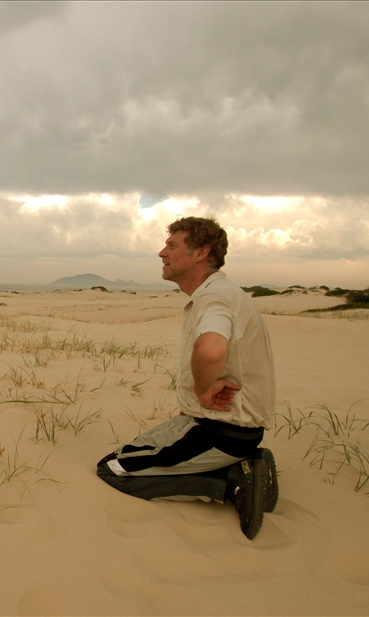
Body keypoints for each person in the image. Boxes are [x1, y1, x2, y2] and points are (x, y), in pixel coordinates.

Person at [97, 217, 278, 540]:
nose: (161, 253)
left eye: (172, 245)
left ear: (201, 252)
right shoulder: (216, 293)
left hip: (226, 430)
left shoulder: (216, 297)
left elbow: (210, 351)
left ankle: (231, 482)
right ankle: (240, 463)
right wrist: (197, 403)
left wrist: (202, 390)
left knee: (113, 471)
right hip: (208, 421)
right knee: (123, 454)